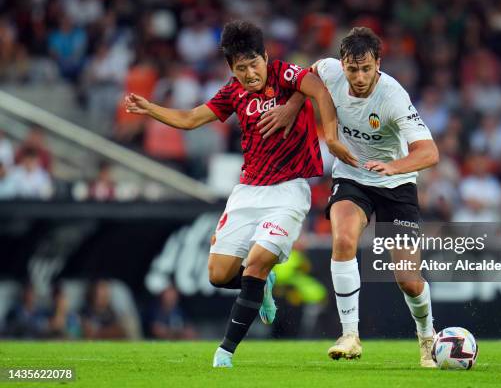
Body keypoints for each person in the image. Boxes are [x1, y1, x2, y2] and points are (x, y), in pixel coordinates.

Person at [125, 20, 355, 368]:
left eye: (254, 64)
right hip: (247, 192)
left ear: (265, 56)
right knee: (218, 275)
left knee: (256, 264)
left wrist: (328, 134)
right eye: (240, 68)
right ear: (231, 68)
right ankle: (262, 287)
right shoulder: (233, 93)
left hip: (289, 191)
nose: (249, 73)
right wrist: (150, 108)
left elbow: (320, 87)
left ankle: (225, 353)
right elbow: (190, 118)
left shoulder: (285, 74)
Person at [266, 27, 439, 366]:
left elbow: (430, 152)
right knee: (343, 238)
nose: (359, 77)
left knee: (408, 279)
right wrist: (293, 106)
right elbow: (309, 75)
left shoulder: (392, 97)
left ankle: (427, 336)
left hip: (396, 184)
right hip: (352, 176)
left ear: (378, 64)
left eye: (366, 69)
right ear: (343, 64)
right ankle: (350, 335)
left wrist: (396, 166)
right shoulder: (330, 70)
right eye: (352, 69)